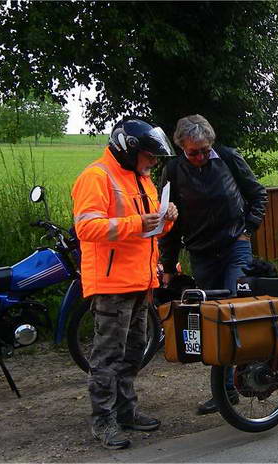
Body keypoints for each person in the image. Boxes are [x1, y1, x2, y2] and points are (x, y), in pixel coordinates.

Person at [72, 119, 179, 450]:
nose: (153, 162)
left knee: (133, 352)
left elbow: (150, 231)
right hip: (111, 283)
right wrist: (136, 223)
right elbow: (86, 229)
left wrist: (168, 217)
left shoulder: (141, 178)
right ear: (129, 150)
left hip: (140, 279)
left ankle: (126, 410)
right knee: (108, 355)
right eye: (148, 156)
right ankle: (103, 420)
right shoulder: (96, 177)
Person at [159, 114, 268, 415]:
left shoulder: (229, 158)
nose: (200, 157)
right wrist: (168, 266)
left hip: (235, 245)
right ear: (180, 146)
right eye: (193, 152)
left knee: (237, 308)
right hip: (202, 253)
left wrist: (248, 229)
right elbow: (168, 222)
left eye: (205, 150)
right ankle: (225, 391)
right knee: (212, 319)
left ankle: (253, 373)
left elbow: (257, 194)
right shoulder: (172, 170)